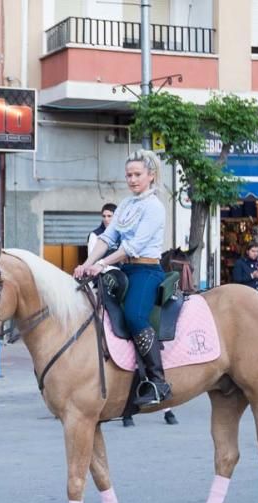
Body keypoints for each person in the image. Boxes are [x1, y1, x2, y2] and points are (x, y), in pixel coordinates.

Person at [74, 149, 170, 412]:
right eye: (128, 175)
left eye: (137, 174)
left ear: (150, 176)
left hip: (147, 271)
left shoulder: (154, 207)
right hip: (124, 269)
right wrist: (87, 263)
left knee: (134, 316)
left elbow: (133, 246)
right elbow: (107, 238)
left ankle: (157, 381)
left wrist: (102, 264)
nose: (132, 179)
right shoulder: (126, 205)